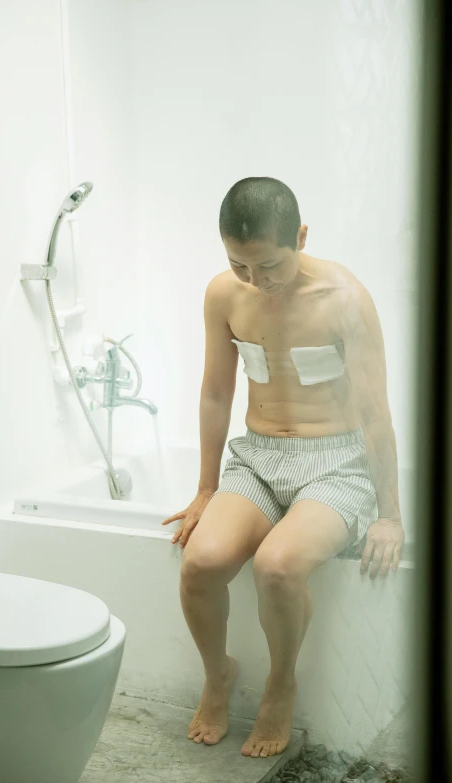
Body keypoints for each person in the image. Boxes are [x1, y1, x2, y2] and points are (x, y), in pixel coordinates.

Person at [161, 177, 405, 759]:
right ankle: (219, 671)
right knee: (201, 562)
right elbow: (217, 393)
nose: (256, 280)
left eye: (269, 264)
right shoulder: (225, 295)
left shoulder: (346, 299)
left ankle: (280, 684)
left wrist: (391, 514)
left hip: (336, 465)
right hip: (259, 457)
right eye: (240, 265)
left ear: (300, 236)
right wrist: (204, 489)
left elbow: (375, 414)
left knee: (275, 566)